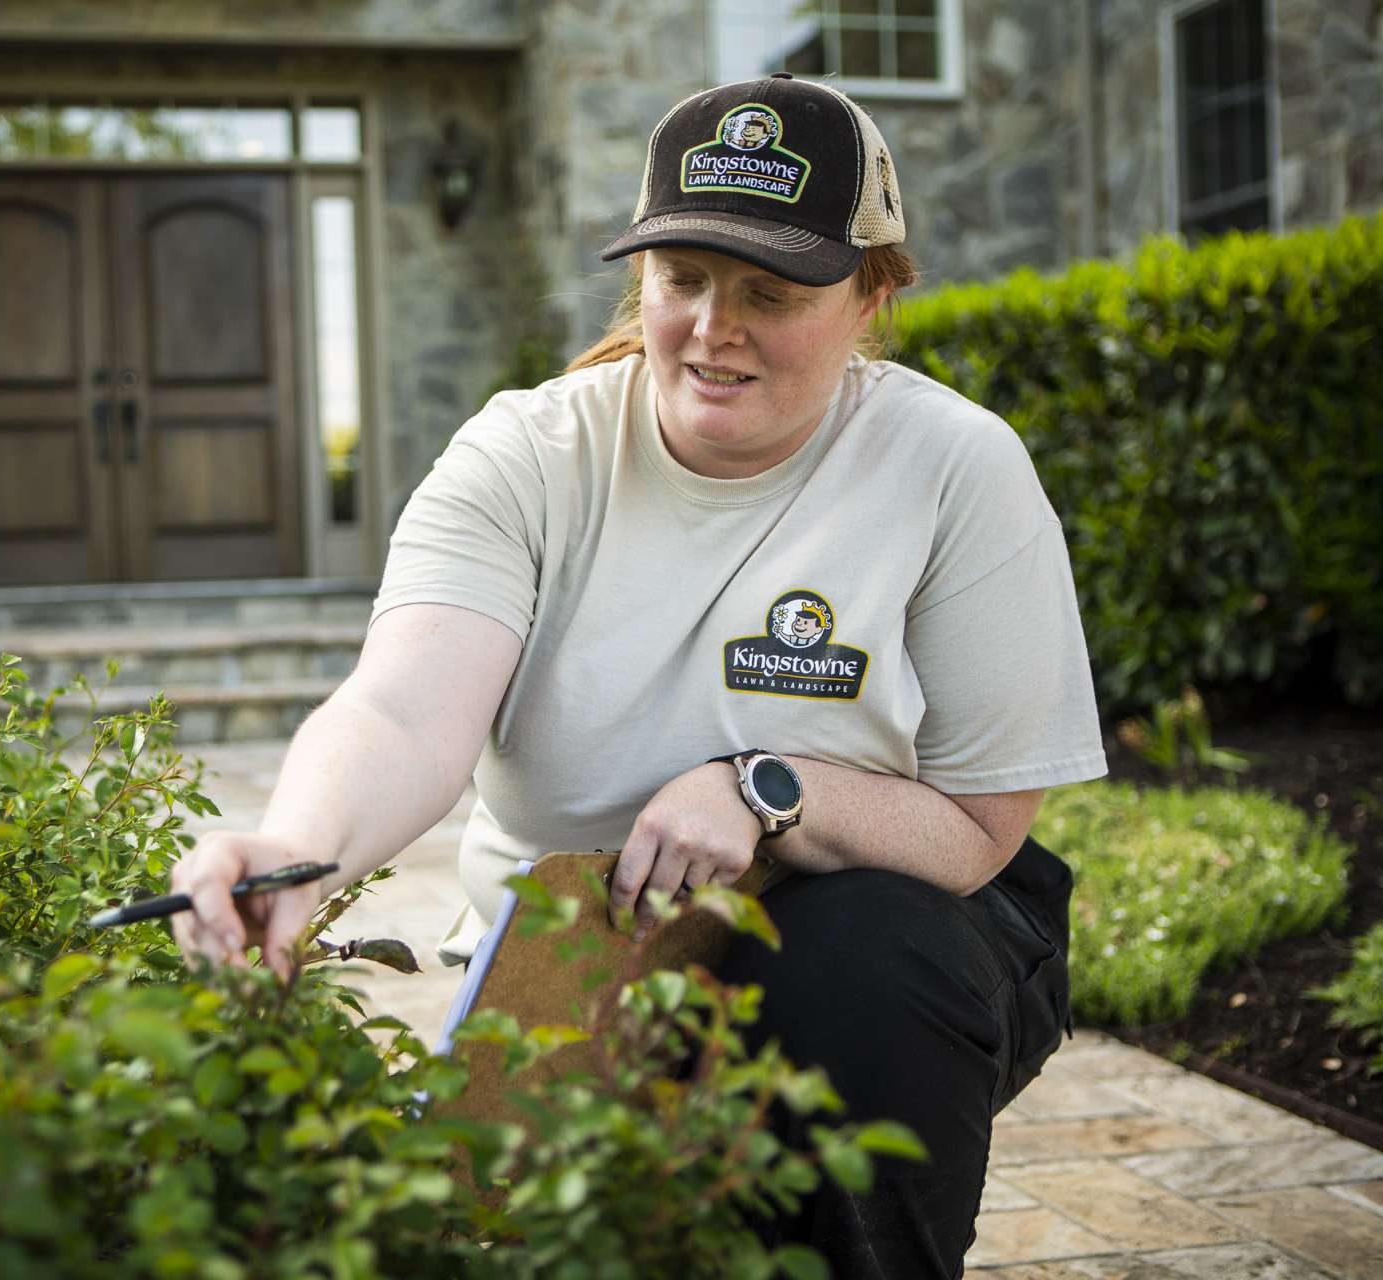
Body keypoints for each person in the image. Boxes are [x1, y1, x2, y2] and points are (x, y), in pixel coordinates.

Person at [169, 73, 1106, 1277]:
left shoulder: (954, 467)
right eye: (684, 280)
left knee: (860, 955)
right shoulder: (527, 455)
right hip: (585, 944)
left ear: (872, 294)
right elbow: (403, 708)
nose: (714, 329)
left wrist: (765, 787)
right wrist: (291, 848)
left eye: (769, 291)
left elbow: (980, 829)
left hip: (898, 925)